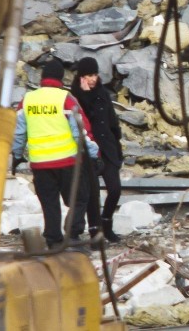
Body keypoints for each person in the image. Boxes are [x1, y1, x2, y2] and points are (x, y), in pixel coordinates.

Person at [12, 58, 99, 249]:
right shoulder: (66, 99)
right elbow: (80, 131)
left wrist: (16, 156)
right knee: (80, 197)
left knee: (49, 203)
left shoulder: (27, 100)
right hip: (67, 162)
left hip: (40, 164)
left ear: (42, 78)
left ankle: (53, 239)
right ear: (61, 78)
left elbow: (18, 133)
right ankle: (73, 233)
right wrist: (93, 154)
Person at [71, 56, 123, 243]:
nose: (92, 79)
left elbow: (112, 122)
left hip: (108, 149)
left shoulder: (103, 93)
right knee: (92, 194)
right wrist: (85, 96)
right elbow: (84, 120)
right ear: (80, 77)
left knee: (115, 189)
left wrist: (118, 148)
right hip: (89, 150)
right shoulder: (75, 97)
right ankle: (95, 232)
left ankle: (106, 222)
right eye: (87, 76)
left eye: (94, 74)